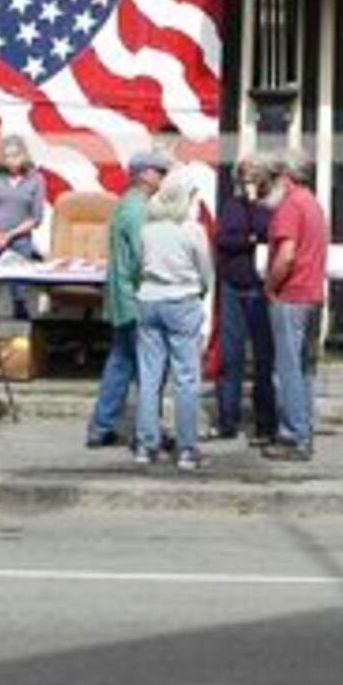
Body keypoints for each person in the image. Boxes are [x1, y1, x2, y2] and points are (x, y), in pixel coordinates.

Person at [129, 158, 217, 470]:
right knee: (186, 378)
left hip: (149, 300)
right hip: (182, 300)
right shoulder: (193, 230)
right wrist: (201, 292)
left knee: (150, 376)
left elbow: (139, 265)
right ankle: (187, 449)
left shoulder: (147, 229)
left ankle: (145, 445)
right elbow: (206, 271)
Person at [256, 153, 329, 462]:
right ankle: (304, 429)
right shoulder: (312, 203)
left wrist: (270, 286)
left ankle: (293, 435)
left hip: (291, 296)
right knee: (303, 369)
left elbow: (285, 255)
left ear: (285, 178)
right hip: (313, 294)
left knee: (285, 369)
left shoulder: (289, 207)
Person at [81, 154, 156, 450]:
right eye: (158, 172)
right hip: (134, 297)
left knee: (121, 361)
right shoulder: (138, 209)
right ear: (143, 175)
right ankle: (145, 431)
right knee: (145, 368)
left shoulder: (125, 203)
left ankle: (102, 426)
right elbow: (142, 254)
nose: (162, 177)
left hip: (121, 297)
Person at [210, 159, 278, 447]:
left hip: (259, 288)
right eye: (243, 176)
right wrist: (248, 239)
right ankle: (227, 419)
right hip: (232, 287)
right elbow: (223, 240)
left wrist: (249, 231)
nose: (247, 181)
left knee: (263, 359)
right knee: (230, 357)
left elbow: (268, 234)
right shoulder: (231, 206)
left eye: (253, 176)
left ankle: (265, 423)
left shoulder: (269, 206)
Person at [0, 135, 49, 261]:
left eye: (15, 156)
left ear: (25, 155)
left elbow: (36, 218)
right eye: (6, 157)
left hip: (19, 243)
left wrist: (8, 235)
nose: (11, 160)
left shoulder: (36, 179)